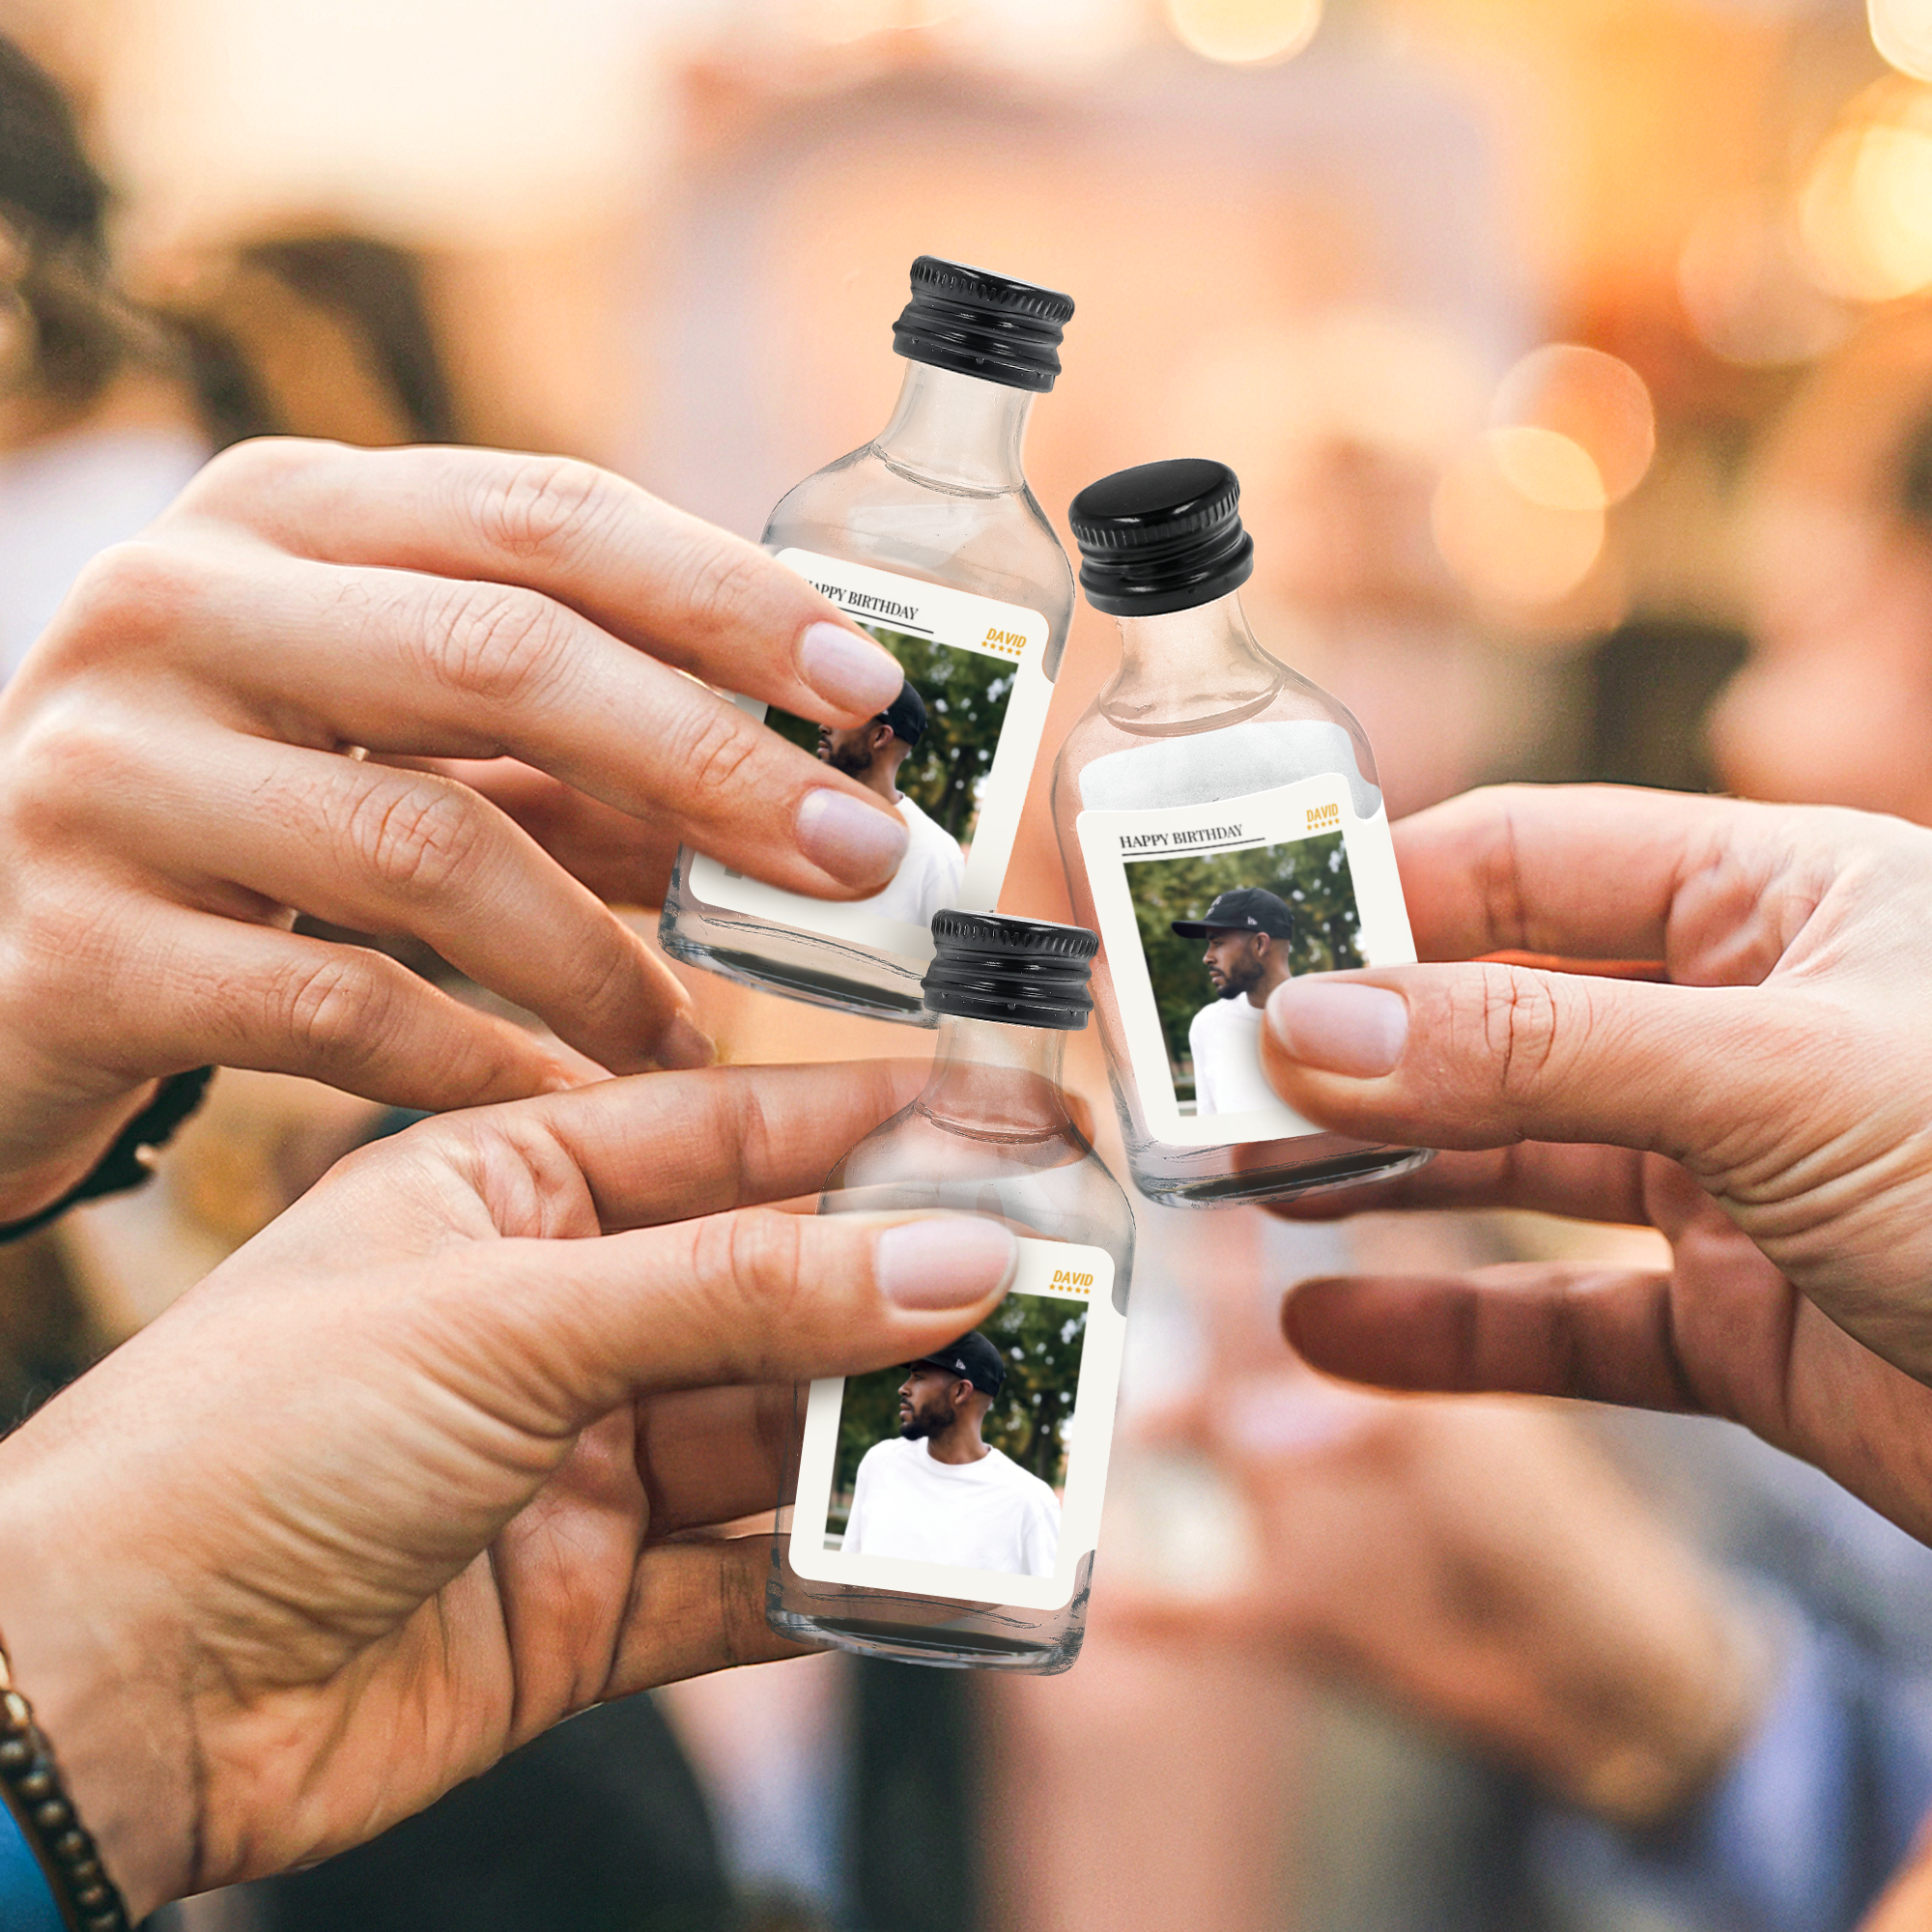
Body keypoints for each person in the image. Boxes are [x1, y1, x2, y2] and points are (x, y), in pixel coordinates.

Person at [842, 1331, 1060, 1578]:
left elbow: (1052, 1613)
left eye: (919, 1377)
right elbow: (845, 1581)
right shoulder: (879, 1463)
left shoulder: (1031, 1502)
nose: (903, 1388)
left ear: (960, 1392)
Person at [815, 676, 965, 929]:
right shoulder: (795, 816)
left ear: (880, 737)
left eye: (843, 714)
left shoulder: (936, 856)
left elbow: (949, 962)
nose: (823, 725)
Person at [1171, 887, 1296, 1117]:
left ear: (1260, 945)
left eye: (1217, 943)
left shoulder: (1328, 1018)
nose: (1207, 957)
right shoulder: (1206, 1024)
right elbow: (1209, 1126)